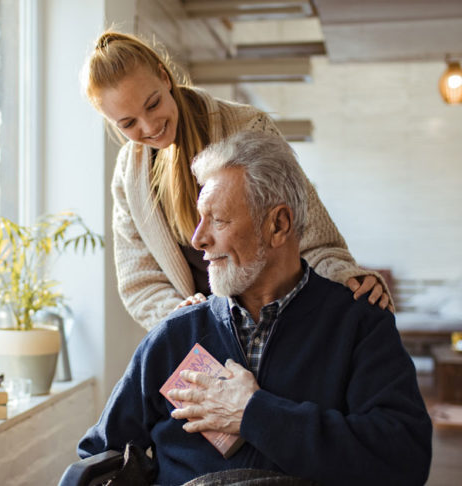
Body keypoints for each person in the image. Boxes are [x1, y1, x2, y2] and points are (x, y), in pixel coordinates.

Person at [76, 131, 432, 486]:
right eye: (200, 219)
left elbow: (404, 460)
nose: (198, 238)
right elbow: (98, 454)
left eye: (217, 219)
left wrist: (254, 413)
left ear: (278, 225)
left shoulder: (359, 324)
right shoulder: (176, 334)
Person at [82, 30, 393, 330]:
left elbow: (308, 231)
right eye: (128, 123)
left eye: (153, 104)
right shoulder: (128, 175)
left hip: (279, 320)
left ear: (165, 77)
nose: (149, 126)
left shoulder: (248, 126)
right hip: (200, 335)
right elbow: (140, 281)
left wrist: (346, 276)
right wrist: (179, 317)